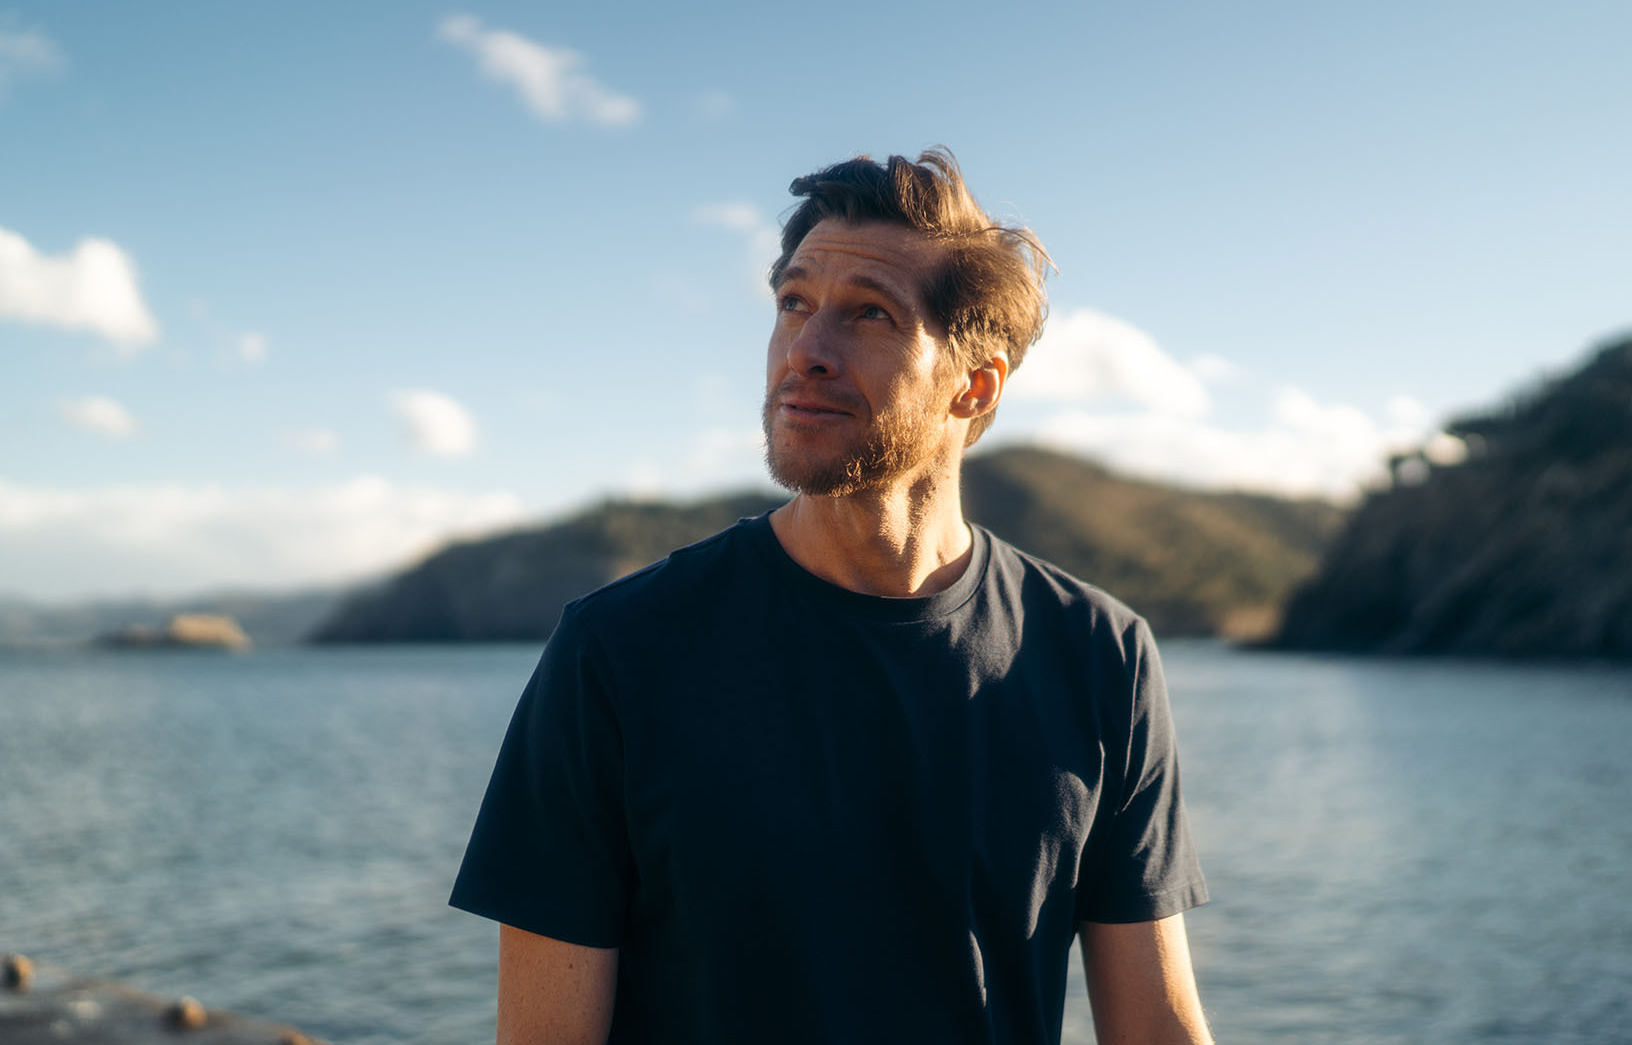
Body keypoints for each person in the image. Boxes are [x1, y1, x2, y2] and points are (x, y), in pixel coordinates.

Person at [450, 148, 1213, 1044]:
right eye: (793, 304)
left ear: (974, 385)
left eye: (868, 314)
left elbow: (1155, 1027)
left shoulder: (1096, 653)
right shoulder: (619, 650)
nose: (805, 352)